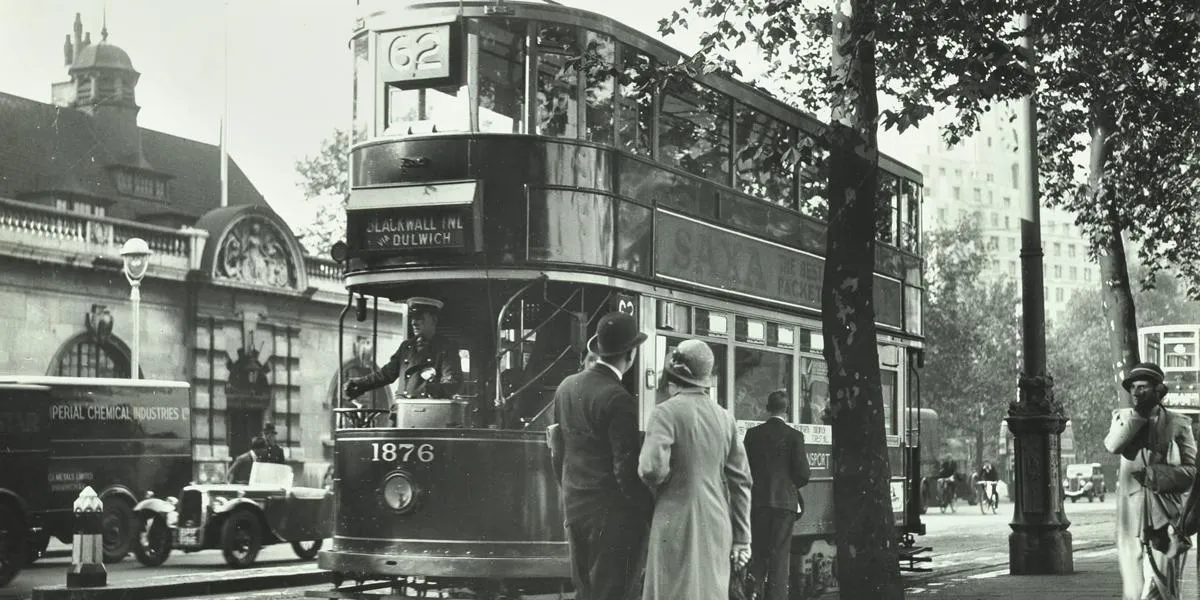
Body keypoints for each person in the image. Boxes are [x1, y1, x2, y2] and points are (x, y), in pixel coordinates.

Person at [637, 339, 753, 600]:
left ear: (673, 375)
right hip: (716, 522)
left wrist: (667, 477)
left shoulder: (664, 413)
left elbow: (650, 469)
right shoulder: (725, 418)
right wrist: (743, 538)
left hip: (674, 519)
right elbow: (742, 481)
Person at [550, 312, 653, 600]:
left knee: (584, 591)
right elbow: (626, 471)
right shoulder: (618, 399)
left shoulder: (565, 388)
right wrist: (649, 510)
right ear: (630, 354)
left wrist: (571, 491)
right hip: (613, 517)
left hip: (575, 509)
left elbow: (558, 450)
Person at [1105, 362, 1197, 600]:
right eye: (1133, 387)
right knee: (1135, 590)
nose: (1136, 392)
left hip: (1165, 516)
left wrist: (1156, 476)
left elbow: (1191, 471)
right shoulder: (1123, 419)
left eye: (1143, 387)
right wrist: (1139, 416)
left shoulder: (1179, 423)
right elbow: (1114, 445)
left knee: (1163, 587)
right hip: (1131, 520)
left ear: (1159, 390)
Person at [743, 390, 810, 600]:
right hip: (784, 505)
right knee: (780, 557)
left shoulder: (752, 435)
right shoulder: (795, 436)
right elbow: (803, 474)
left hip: (758, 503)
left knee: (758, 553)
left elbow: (744, 469)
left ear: (767, 408)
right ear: (787, 410)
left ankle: (753, 594)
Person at [344, 297, 463, 401]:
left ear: (433, 320)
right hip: (403, 411)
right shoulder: (406, 347)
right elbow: (386, 374)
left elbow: (452, 382)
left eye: (420, 318)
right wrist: (360, 383)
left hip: (429, 413)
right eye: (413, 318)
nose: (414, 323)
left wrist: (430, 388)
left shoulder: (446, 347)